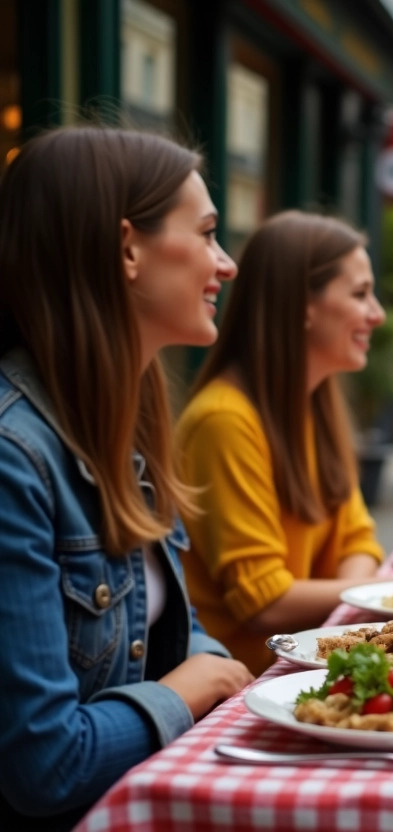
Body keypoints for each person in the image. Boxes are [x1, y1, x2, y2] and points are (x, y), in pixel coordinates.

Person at [0, 126, 254, 830]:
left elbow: (176, 634)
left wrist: (222, 674)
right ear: (127, 250)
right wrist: (190, 690)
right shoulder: (13, 457)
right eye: (206, 233)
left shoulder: (125, 427)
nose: (226, 264)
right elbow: (44, 764)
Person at [176, 212, 393, 675]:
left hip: (313, 660)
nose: (376, 314)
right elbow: (264, 602)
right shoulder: (223, 420)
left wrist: (354, 595)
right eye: (359, 294)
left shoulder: (314, 405)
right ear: (302, 306)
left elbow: (358, 538)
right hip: (249, 686)